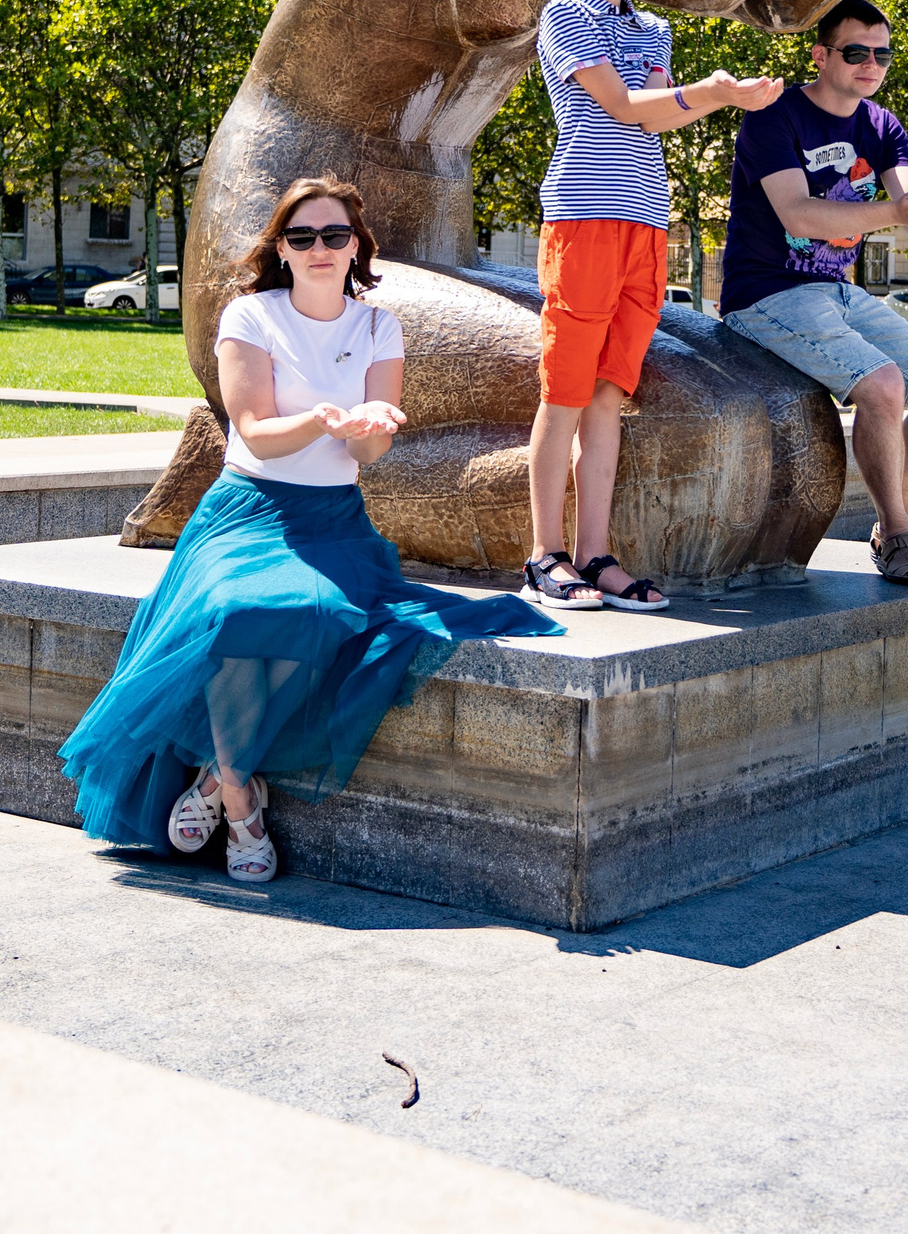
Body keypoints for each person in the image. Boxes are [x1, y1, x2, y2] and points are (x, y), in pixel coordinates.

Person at [59, 174, 565, 882]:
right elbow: (258, 435)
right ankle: (242, 805)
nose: (320, 248)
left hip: (334, 522)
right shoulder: (250, 316)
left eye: (335, 235)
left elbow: (370, 449)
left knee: (318, 610)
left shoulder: (378, 325)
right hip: (246, 513)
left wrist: (366, 431)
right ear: (283, 249)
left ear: (357, 246)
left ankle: (217, 780)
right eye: (303, 237)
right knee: (237, 610)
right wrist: (328, 416)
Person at [521, 0, 782, 613]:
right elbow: (626, 106)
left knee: (609, 396)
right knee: (565, 393)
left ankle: (594, 555)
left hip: (646, 224)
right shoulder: (564, 14)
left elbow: (658, 121)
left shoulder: (654, 30)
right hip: (583, 219)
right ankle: (543, 556)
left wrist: (712, 96)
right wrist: (720, 93)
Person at [719, 0, 908, 586]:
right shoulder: (773, 115)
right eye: (856, 51)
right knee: (883, 385)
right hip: (767, 293)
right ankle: (900, 535)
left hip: (834, 288)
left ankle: (898, 525)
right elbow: (799, 215)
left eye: (882, 54)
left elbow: (906, 194)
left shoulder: (882, 125)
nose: (871, 64)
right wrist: (898, 211)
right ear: (821, 55)